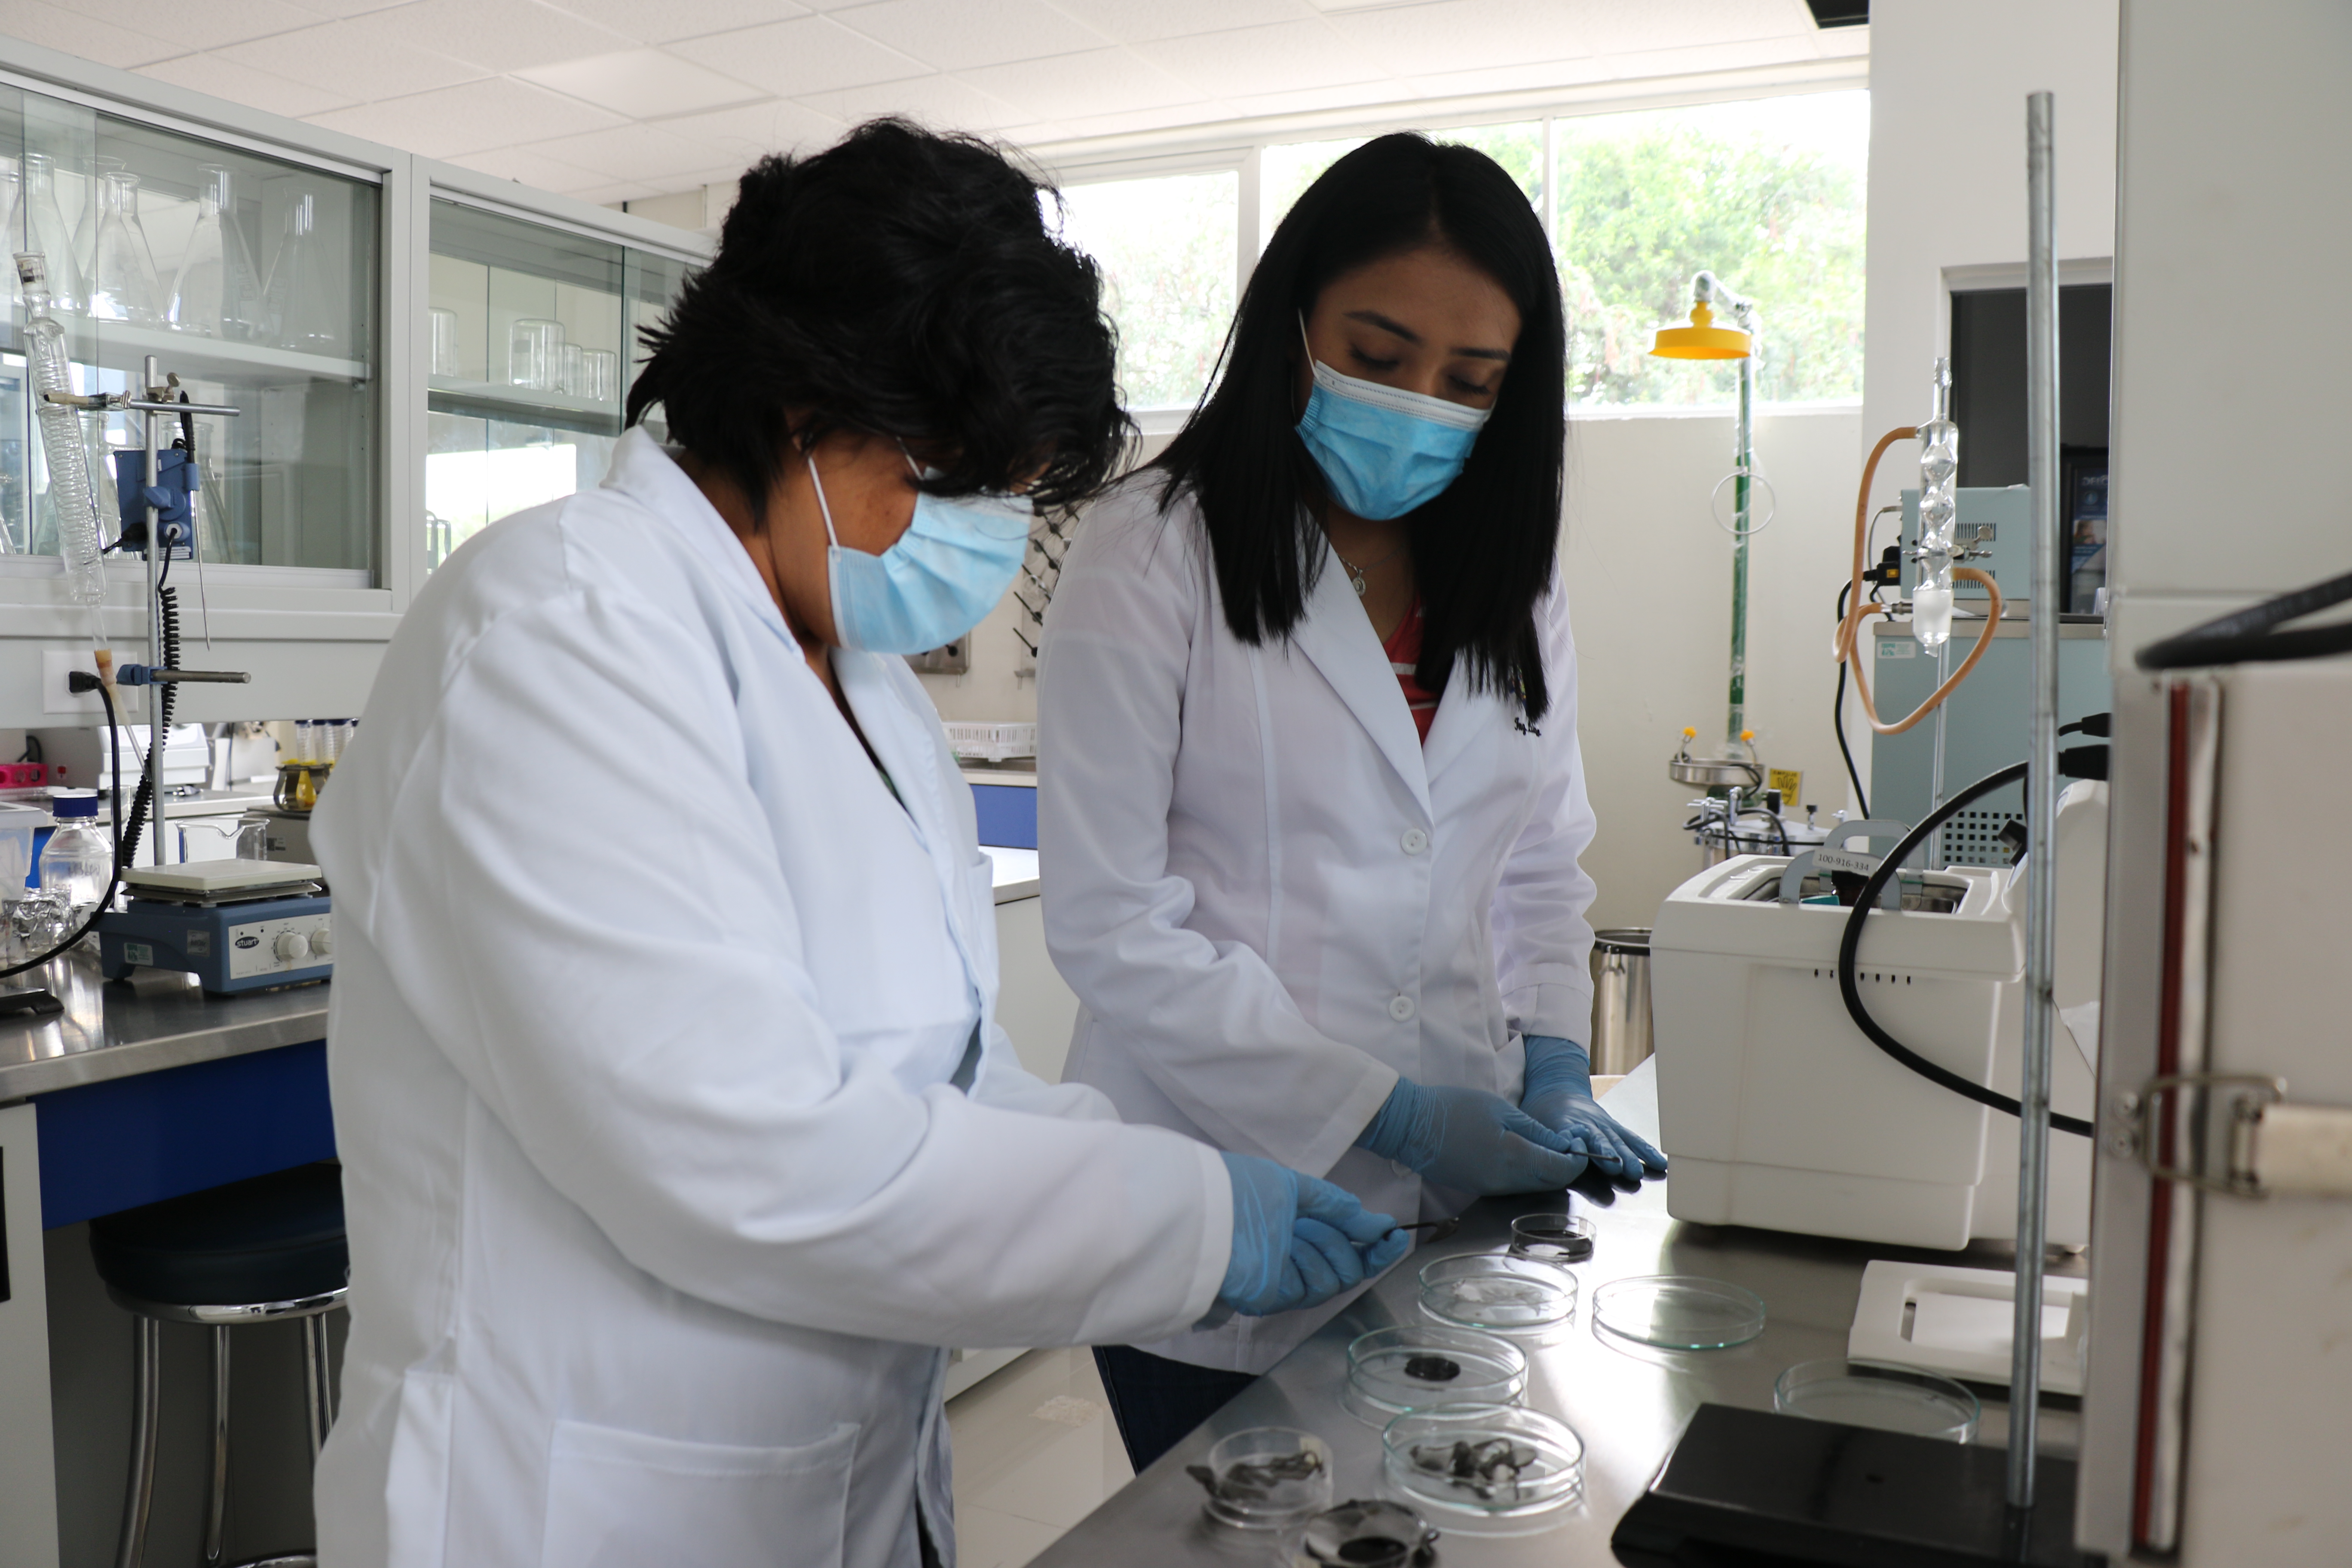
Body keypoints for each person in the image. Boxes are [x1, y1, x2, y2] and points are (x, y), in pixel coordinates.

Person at [311, 121, 1405, 1568]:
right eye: (951, 480)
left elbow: (950, 1074)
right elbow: (748, 1155)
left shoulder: (862, 680)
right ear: (796, 405)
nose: (985, 534)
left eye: (1012, 494)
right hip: (584, 1503)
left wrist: (1192, 1181)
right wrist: (1195, 1224)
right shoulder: (558, 627)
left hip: (838, 1479)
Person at [1038, 132, 1666, 1469]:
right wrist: (1387, 1112)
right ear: (1294, 328)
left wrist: (1557, 1062)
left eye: (1470, 381)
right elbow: (1111, 922)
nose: (1419, 405)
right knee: (1241, 1533)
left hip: (1465, 1208)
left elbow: (1539, 861)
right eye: (1378, 357)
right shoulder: (1150, 552)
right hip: (1223, 1195)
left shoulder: (1514, 575)